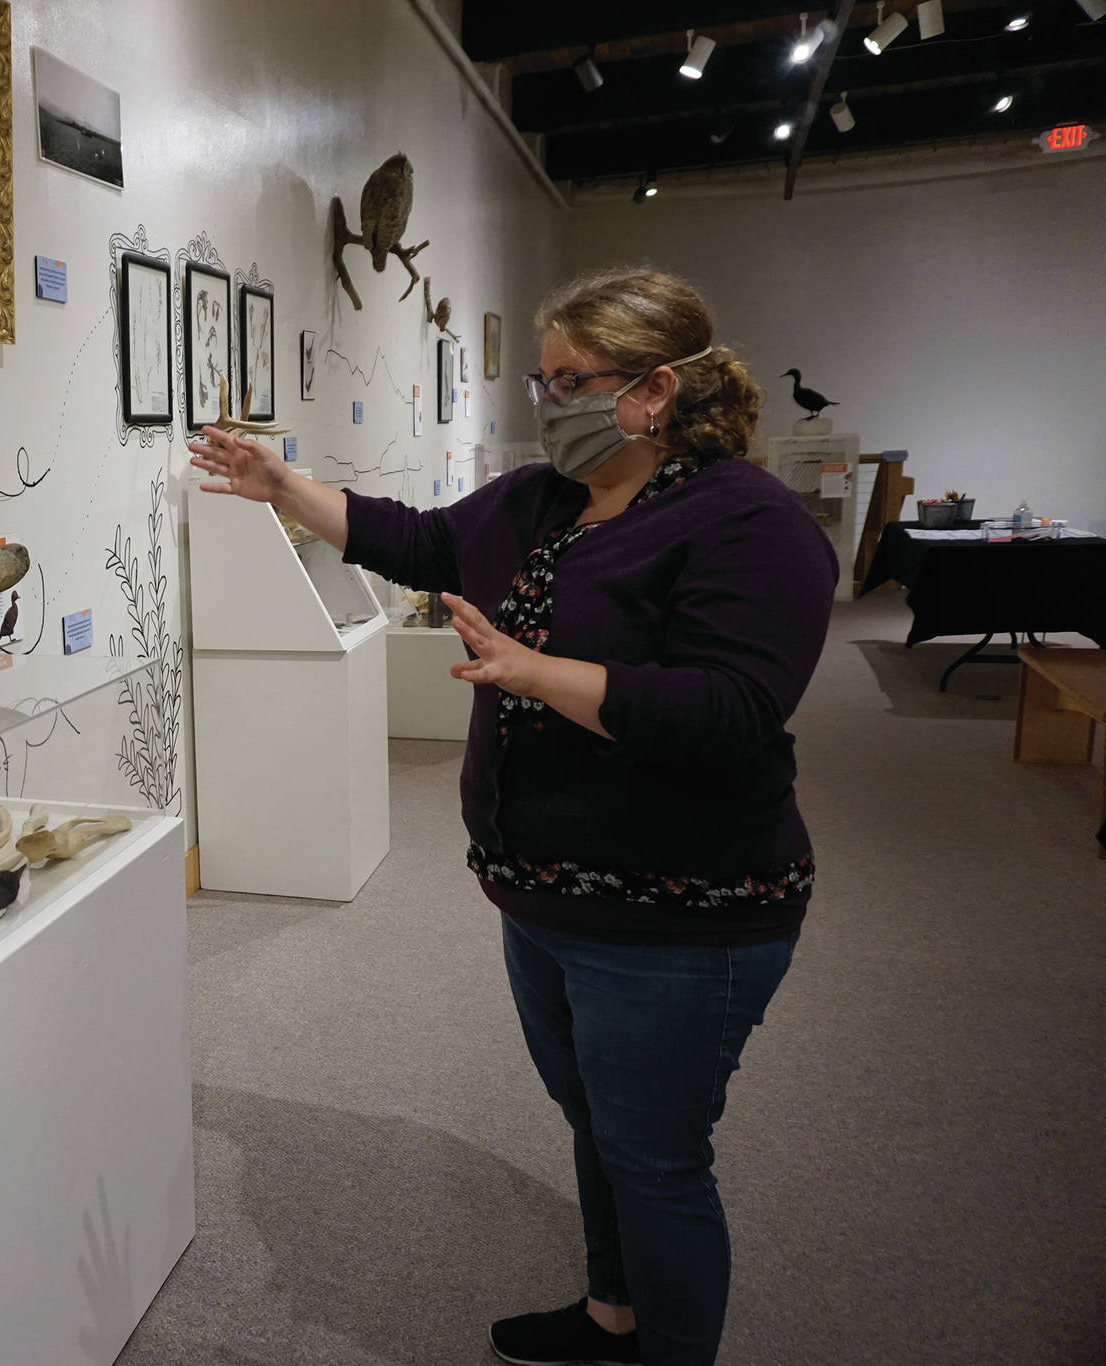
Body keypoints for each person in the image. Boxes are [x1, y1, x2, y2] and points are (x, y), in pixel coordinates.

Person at [188, 268, 835, 1366]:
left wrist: (537, 673)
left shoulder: (749, 522)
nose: (548, 401)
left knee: (656, 1159)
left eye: (569, 379)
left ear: (652, 390)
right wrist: (282, 484)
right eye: (541, 379)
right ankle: (609, 1314)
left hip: (681, 911)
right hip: (541, 895)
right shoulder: (539, 498)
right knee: (597, 1124)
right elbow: (418, 540)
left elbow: (731, 709)